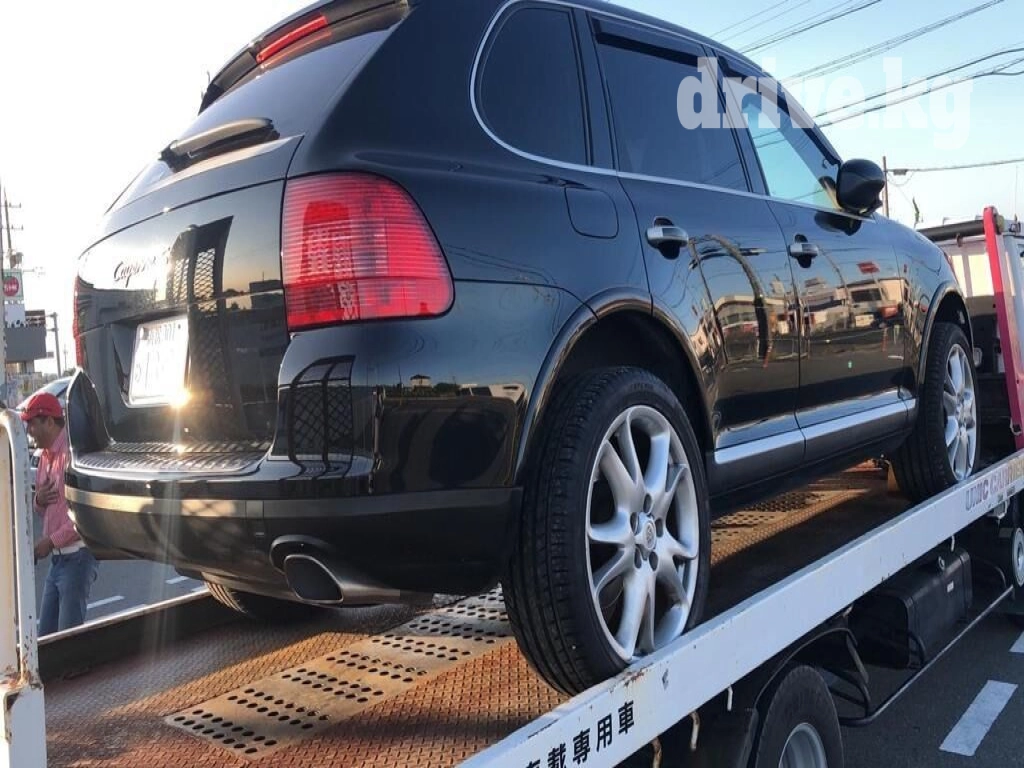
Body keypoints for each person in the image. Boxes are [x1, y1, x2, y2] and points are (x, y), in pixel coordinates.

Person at [22, 392, 98, 634]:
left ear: (49, 421)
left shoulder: (72, 453)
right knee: (46, 638)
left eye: (32, 424)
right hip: (58, 559)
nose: (29, 431)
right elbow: (41, 507)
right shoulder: (45, 456)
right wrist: (39, 499)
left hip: (77, 557)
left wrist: (49, 542)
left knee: (67, 639)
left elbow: (83, 517)